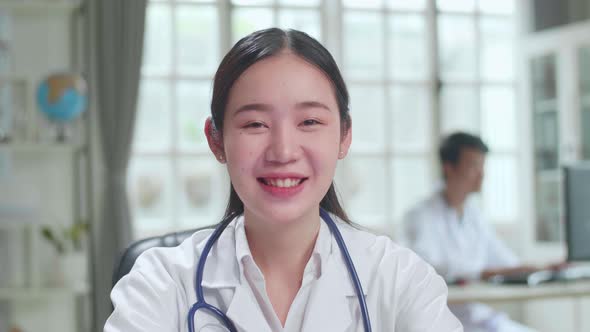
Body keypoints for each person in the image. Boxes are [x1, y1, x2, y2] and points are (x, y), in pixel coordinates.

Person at [105, 28, 462, 332]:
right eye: (255, 124)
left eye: (309, 122)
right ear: (216, 140)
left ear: (344, 136)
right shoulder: (160, 284)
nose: (283, 151)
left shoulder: (401, 280)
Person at [400, 132, 539, 332]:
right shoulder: (420, 215)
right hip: (444, 322)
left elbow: (502, 258)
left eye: (482, 166)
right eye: (474, 166)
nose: (482, 174)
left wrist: (538, 269)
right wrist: (483, 272)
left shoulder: (474, 215)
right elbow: (428, 265)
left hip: (482, 318)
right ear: (449, 167)